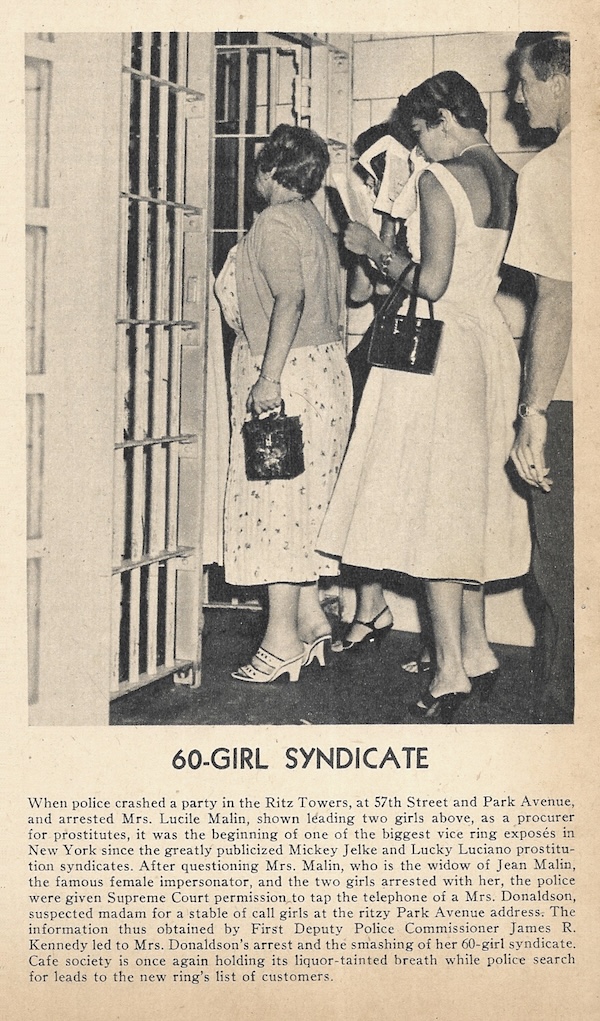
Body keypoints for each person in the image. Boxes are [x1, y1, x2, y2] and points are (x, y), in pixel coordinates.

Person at [318, 70, 531, 721]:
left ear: (443, 120)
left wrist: (370, 247)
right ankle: (478, 650)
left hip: (438, 348)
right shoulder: (508, 177)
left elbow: (431, 282)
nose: (418, 148)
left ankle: (450, 671)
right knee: (466, 499)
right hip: (486, 343)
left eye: (420, 133)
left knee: (436, 507)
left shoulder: (440, 178)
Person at [214, 124, 352, 684]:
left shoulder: (273, 221)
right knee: (303, 502)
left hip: (288, 375)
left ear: (270, 171)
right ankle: (311, 617)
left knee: (274, 506)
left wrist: (268, 379)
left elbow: (289, 299)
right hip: (322, 373)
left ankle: (280, 641)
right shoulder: (314, 220)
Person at [505, 33, 573, 723]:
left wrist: (534, 414)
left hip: (575, 396)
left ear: (557, 79)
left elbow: (556, 298)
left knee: (563, 568)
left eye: (524, 83)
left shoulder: (554, 171)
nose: (518, 99)